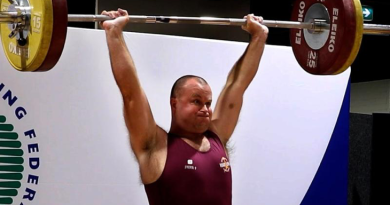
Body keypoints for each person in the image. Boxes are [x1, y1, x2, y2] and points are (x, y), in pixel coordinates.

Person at [101, 8, 268, 205]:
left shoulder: (217, 137)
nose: (205, 109)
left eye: (208, 103)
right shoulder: (155, 146)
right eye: (196, 101)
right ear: (174, 103)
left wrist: (259, 35)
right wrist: (114, 33)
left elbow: (237, 85)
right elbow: (131, 94)